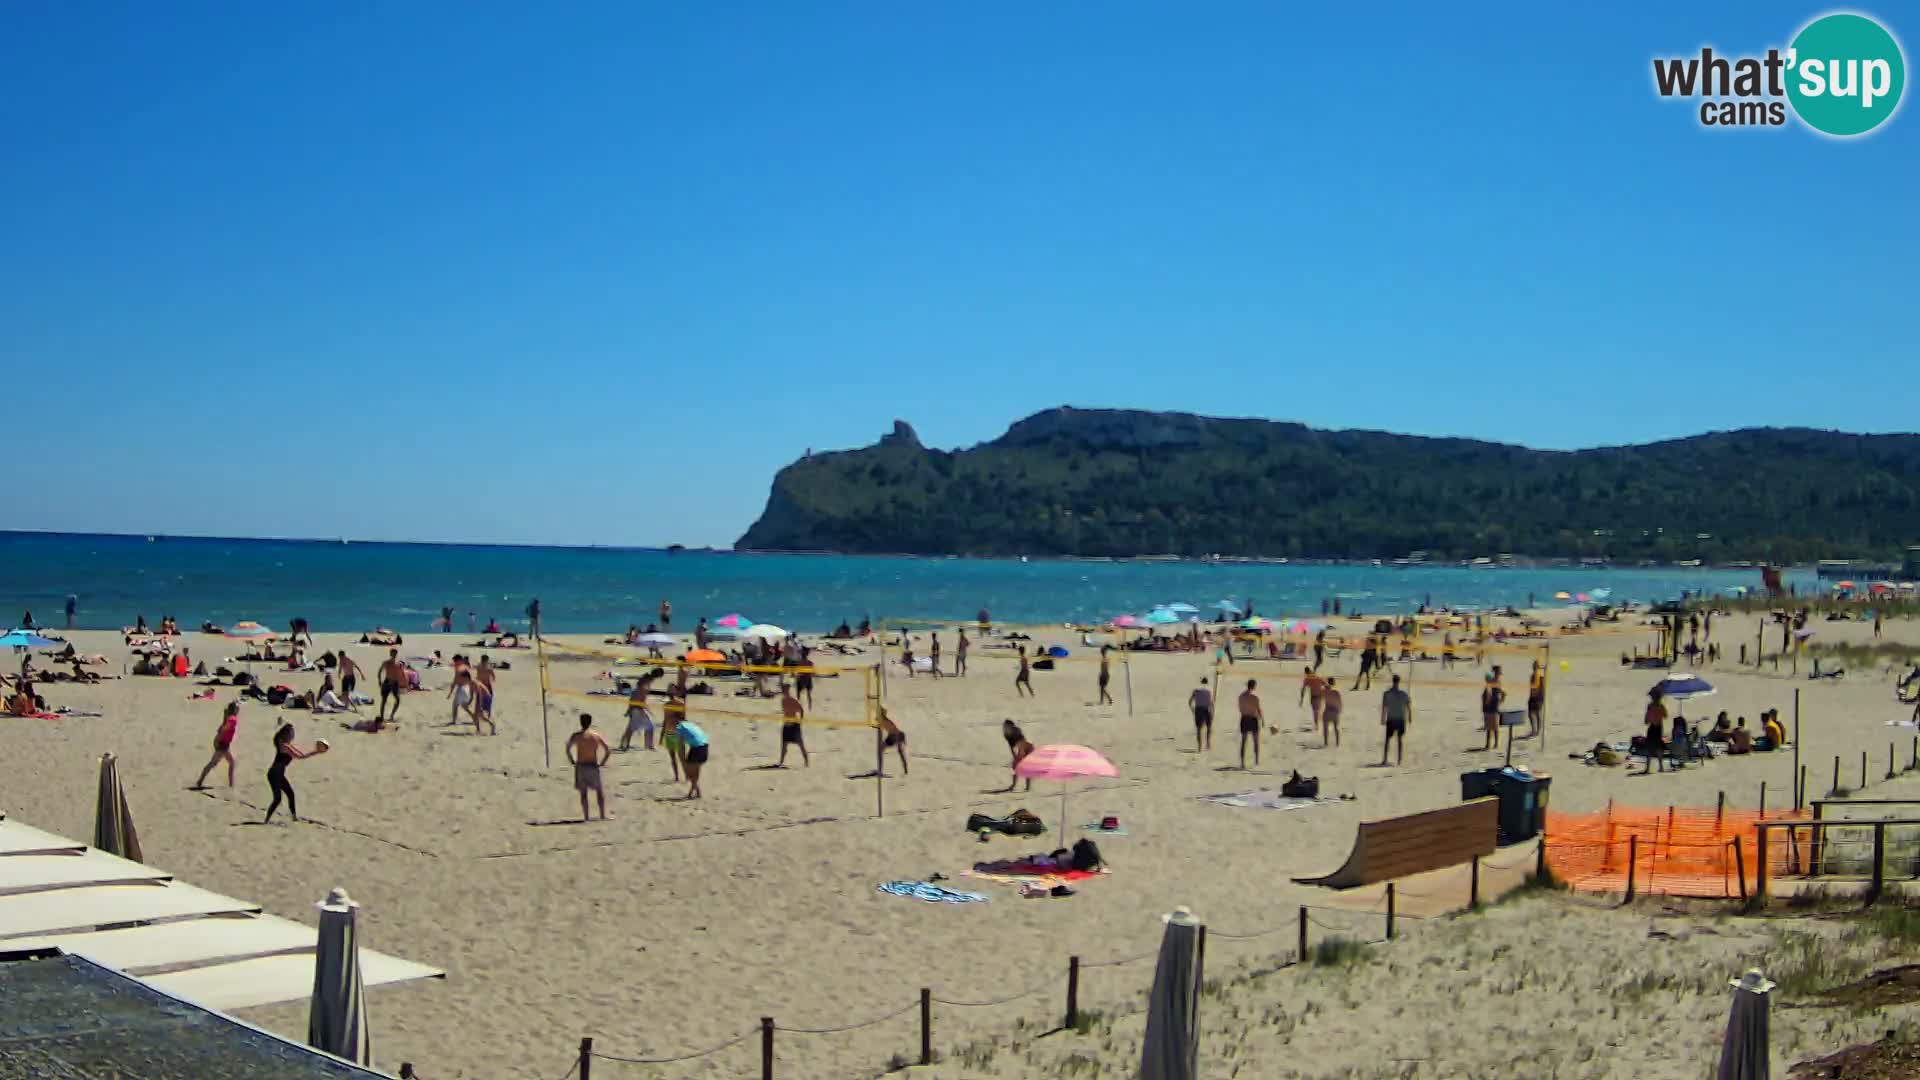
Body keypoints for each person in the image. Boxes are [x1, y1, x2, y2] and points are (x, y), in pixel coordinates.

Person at [263, 723, 326, 823]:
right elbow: (301, 757)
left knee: (290, 794)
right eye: (292, 733)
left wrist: (316, 751)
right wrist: (316, 751)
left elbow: (301, 754)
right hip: (274, 775)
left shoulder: (286, 744)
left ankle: (293, 817)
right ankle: (266, 820)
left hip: (279, 775)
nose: (293, 734)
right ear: (287, 734)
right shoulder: (284, 746)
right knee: (278, 799)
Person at [565, 713, 612, 820]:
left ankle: (586, 816)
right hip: (592, 765)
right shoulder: (595, 735)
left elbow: (568, 749)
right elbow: (608, 750)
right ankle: (602, 815)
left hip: (581, 766)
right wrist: (602, 763)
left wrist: (572, 760)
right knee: (599, 791)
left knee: (583, 792)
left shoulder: (576, 736)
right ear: (590, 722)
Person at [194, 702, 241, 789]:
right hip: (223, 745)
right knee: (227, 763)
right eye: (237, 708)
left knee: (215, 763)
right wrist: (218, 741)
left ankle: (200, 780)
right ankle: (231, 785)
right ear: (234, 710)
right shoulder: (233, 719)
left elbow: (221, 728)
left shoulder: (229, 718)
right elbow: (223, 729)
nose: (239, 710)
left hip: (223, 744)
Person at [1380, 674, 1412, 766]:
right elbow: (1408, 706)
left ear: (1393, 681)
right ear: (1399, 682)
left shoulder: (1387, 694)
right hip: (1400, 719)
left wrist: (1383, 718)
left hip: (1391, 718)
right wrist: (1410, 717)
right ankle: (1399, 760)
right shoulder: (1404, 694)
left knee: (1387, 740)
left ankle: (1385, 759)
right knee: (1399, 739)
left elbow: (1384, 707)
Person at [620, 673, 656, 751]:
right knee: (649, 727)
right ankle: (649, 745)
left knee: (630, 729)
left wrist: (629, 710)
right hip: (638, 710)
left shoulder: (638, 688)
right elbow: (640, 702)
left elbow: (633, 700)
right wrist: (647, 710)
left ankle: (624, 744)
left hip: (636, 710)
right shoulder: (643, 689)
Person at [777, 682, 809, 767]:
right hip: (786, 725)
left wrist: (800, 721)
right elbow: (785, 712)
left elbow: (801, 710)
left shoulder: (793, 700)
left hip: (794, 725)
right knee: (784, 745)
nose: (783, 692)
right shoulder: (783, 700)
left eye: (785, 690)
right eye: (783, 690)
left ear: (788, 690)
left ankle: (806, 761)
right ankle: (781, 762)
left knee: (800, 744)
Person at [676, 717, 709, 799]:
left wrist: (682, 760)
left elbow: (681, 746)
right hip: (704, 745)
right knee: (695, 772)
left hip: (697, 747)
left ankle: (693, 793)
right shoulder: (691, 724)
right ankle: (696, 792)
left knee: (691, 773)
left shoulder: (680, 727)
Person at [1237, 679, 1263, 769]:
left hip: (1244, 718)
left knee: (1244, 742)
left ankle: (1242, 763)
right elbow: (1258, 709)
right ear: (1254, 686)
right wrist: (1262, 719)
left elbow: (1240, 709)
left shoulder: (1241, 696)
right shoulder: (1255, 697)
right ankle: (1256, 761)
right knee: (1256, 742)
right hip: (1253, 719)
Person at [1642, 689, 1670, 773]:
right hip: (1659, 728)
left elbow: (1646, 720)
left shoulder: (1650, 706)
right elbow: (1665, 716)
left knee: (1650, 748)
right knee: (1659, 748)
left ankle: (1648, 768)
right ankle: (1661, 767)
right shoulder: (1661, 706)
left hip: (1653, 728)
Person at [376, 649, 406, 722]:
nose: (394, 655)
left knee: (397, 700)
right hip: (387, 682)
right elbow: (379, 671)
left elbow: (402, 674)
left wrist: (405, 684)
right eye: (392, 653)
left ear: (396, 654)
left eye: (395, 653)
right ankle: (382, 717)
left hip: (395, 683)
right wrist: (379, 681)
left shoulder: (399, 664)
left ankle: (391, 715)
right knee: (384, 700)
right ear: (390, 654)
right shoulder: (386, 662)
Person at [1005, 721, 1034, 792]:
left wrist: (1019, 757)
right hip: (1023, 748)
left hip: (1028, 748)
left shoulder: (1017, 731)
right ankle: (1014, 785)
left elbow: (1022, 743)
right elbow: (1011, 747)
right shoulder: (1008, 735)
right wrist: (1014, 756)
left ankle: (1027, 787)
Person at [878, 707, 908, 773]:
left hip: (896, 736)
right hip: (893, 735)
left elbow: (894, 729)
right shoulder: (883, 720)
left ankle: (905, 768)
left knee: (900, 752)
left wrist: (901, 738)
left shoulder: (885, 720)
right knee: (881, 750)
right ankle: (905, 768)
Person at [1480, 669, 1505, 751]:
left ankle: (1492, 744)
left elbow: (1488, 697)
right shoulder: (1492, 686)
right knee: (1490, 728)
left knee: (1493, 728)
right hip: (1490, 709)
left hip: (1491, 710)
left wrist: (1499, 702)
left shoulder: (1492, 687)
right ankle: (1491, 744)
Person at [473, 654, 498, 735]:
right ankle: (489, 721)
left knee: (477, 710)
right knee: (487, 707)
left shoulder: (478, 667)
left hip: (479, 687)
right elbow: (494, 678)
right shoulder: (489, 668)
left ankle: (479, 729)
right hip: (487, 687)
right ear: (487, 660)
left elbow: (477, 676)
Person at [1188, 677, 1213, 751]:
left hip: (1198, 709)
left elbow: (1190, 702)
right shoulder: (1209, 691)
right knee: (1209, 727)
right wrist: (1212, 712)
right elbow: (1211, 703)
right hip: (1206, 709)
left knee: (1199, 729)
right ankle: (1208, 743)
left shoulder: (1196, 690)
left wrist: (1193, 710)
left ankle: (1199, 746)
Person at [1299, 667, 1326, 736]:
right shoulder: (1317, 677)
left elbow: (1303, 690)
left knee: (1315, 711)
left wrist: (1301, 700)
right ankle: (1320, 723)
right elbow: (1325, 684)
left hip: (1314, 696)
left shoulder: (1307, 679)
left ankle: (1317, 725)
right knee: (1318, 710)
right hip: (1320, 695)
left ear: (1305, 672)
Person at [1526, 660, 1546, 738]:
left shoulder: (1540, 676)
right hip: (1532, 697)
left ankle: (1538, 730)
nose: (1534, 668)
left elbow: (1543, 688)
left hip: (1538, 697)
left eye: (1535, 666)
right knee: (1530, 714)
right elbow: (1531, 688)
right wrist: (1531, 695)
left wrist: (1542, 697)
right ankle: (1534, 729)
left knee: (1538, 714)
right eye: (1533, 666)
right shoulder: (1532, 676)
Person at [1320, 682, 1343, 748]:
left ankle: (1326, 743)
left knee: (1325, 728)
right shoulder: (1336, 692)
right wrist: (1339, 710)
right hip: (1335, 711)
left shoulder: (1324, 692)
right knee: (1336, 728)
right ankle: (1337, 743)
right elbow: (1339, 703)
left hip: (1327, 710)